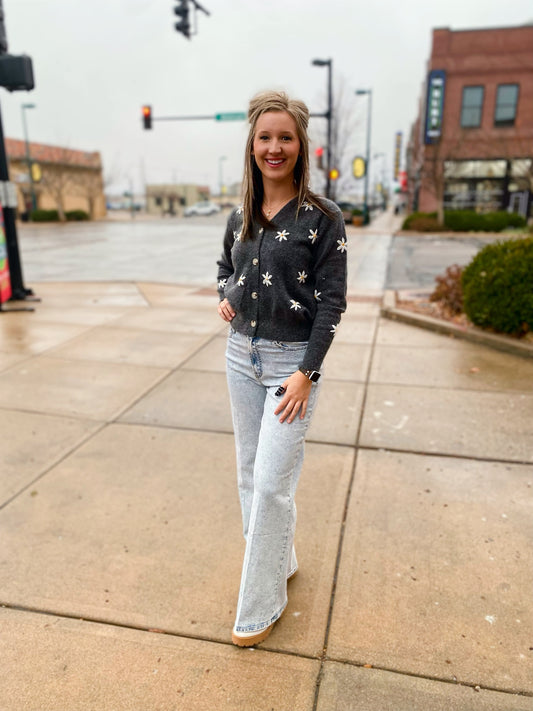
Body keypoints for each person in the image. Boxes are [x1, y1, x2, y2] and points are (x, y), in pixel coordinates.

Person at [216, 90, 347, 647]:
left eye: (285, 137)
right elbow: (226, 267)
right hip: (239, 357)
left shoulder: (323, 218)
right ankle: (280, 560)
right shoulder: (240, 214)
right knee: (250, 475)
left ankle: (259, 606)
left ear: (300, 146)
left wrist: (306, 373)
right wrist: (226, 294)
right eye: (265, 137)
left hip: (290, 367)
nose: (275, 147)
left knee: (272, 484)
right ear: (252, 144)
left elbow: (333, 303)